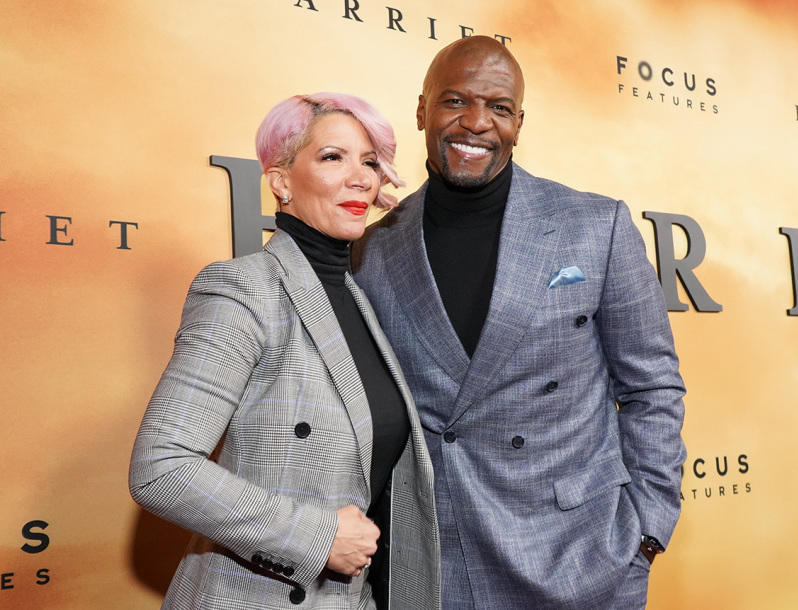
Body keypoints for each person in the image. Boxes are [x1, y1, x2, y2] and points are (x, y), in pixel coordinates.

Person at [352, 36, 686, 609]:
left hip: (582, 559)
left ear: (518, 122)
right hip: (439, 562)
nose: (477, 123)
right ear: (421, 110)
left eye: (499, 109)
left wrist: (646, 530)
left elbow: (652, 385)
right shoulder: (373, 247)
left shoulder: (596, 225)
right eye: (455, 100)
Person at [129, 92, 440, 610]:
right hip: (255, 596)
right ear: (280, 182)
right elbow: (161, 466)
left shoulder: (357, 298)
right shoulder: (243, 289)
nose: (361, 177)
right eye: (332, 157)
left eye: (369, 161)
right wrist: (317, 537)